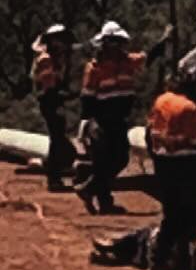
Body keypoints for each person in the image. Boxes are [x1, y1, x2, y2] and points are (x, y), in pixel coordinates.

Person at [145, 75, 196, 270]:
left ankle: (157, 268)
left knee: (171, 216)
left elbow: (150, 131)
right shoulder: (191, 108)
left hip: (164, 163)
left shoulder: (161, 101)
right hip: (187, 164)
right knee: (187, 219)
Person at [78, 23, 144, 213]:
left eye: (118, 42)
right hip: (102, 120)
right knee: (105, 160)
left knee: (119, 158)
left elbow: (147, 57)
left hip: (119, 118)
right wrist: (86, 123)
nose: (116, 46)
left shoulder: (128, 62)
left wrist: (164, 40)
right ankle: (102, 199)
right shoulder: (94, 68)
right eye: (112, 42)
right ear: (105, 43)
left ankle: (92, 190)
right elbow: (87, 97)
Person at [31, 25, 73, 190]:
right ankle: (54, 177)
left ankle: (55, 174)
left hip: (51, 101)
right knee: (57, 139)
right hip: (50, 102)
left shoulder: (51, 58)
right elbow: (49, 87)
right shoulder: (46, 59)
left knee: (57, 138)